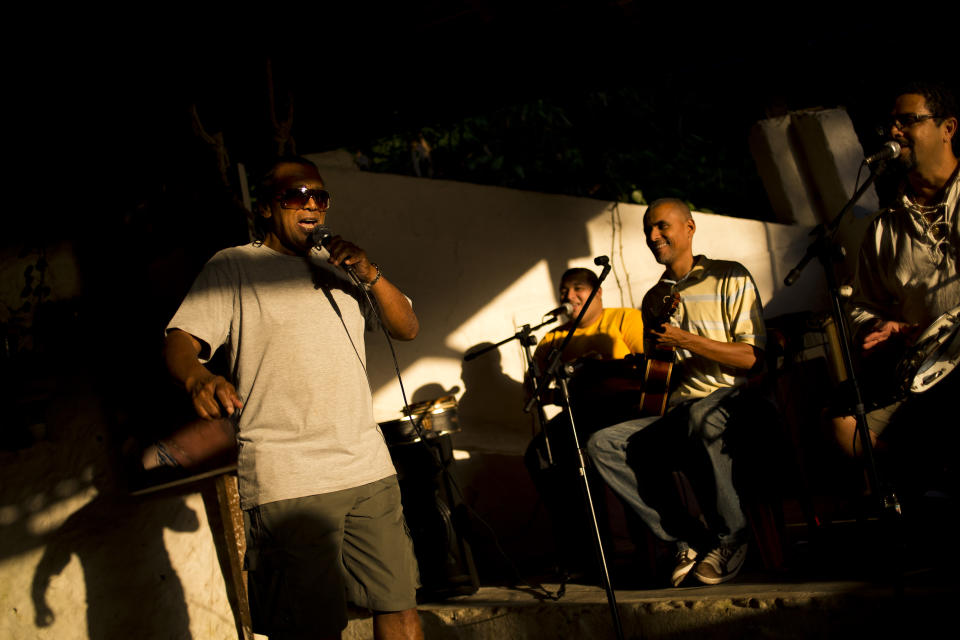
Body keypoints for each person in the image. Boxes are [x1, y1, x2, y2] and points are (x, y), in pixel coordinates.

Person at [163, 156, 423, 640]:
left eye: (319, 197)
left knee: (401, 611)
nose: (311, 205)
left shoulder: (343, 267)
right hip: (290, 480)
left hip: (368, 469)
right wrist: (198, 378)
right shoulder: (234, 266)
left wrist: (368, 270)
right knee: (309, 629)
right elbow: (180, 340)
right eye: (295, 196)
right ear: (265, 208)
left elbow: (406, 327)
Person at [587, 198, 767, 586]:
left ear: (689, 228)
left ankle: (733, 537)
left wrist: (688, 339)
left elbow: (752, 358)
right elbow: (660, 376)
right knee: (604, 443)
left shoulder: (729, 277)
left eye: (662, 227)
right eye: (648, 230)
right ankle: (689, 538)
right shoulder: (654, 299)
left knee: (702, 415)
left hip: (732, 401)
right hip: (680, 412)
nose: (653, 236)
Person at [830, 82, 958, 489]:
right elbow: (862, 303)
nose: (895, 133)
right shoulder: (883, 228)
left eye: (908, 121)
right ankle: (930, 479)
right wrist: (877, 328)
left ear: (947, 128)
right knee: (843, 427)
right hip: (923, 366)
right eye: (892, 125)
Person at [524, 267, 644, 574]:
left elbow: (650, 367)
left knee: (596, 453)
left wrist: (604, 371)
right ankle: (583, 554)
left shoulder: (624, 319)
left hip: (624, 412)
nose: (570, 296)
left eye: (578, 288)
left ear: (598, 291)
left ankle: (646, 550)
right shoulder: (555, 338)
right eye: (564, 291)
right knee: (540, 454)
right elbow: (534, 389)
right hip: (579, 416)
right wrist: (556, 394)